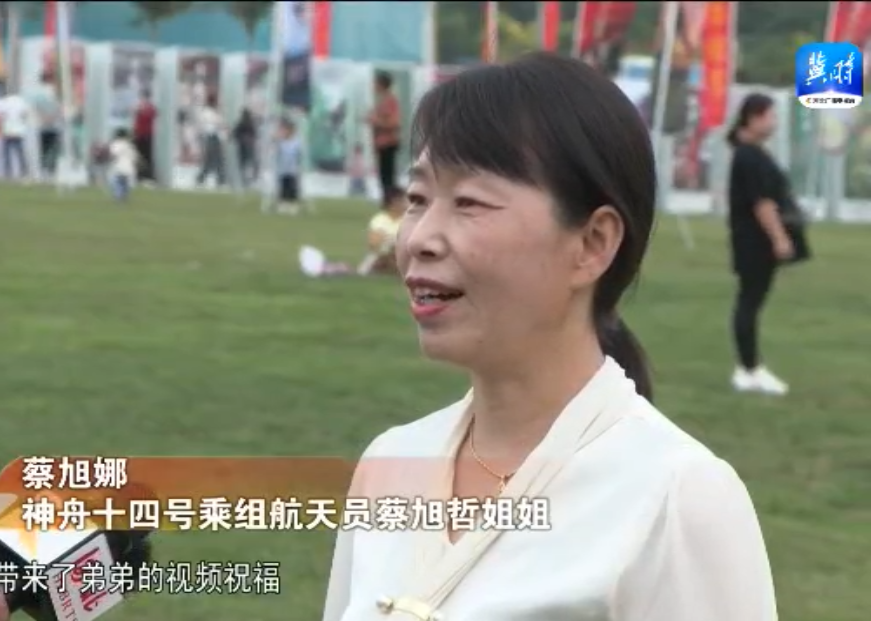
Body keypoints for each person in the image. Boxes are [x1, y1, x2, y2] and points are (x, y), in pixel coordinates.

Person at [322, 54, 776, 621]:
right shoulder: (390, 463)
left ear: (592, 243)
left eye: (469, 203)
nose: (419, 239)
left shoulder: (676, 496)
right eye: (417, 199)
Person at [725, 93, 809, 396]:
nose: (774, 123)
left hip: (755, 240)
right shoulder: (749, 156)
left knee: (752, 300)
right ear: (753, 118)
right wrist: (779, 238)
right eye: (770, 116)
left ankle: (749, 366)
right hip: (754, 242)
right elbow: (763, 203)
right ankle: (749, 368)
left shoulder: (754, 154)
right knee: (749, 301)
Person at [299, 186, 407, 278]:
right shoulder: (379, 220)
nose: (406, 204)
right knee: (363, 272)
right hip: (381, 256)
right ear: (393, 203)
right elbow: (373, 245)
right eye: (403, 201)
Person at [368, 70, 401, 202]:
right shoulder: (382, 101)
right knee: (383, 175)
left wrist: (375, 121)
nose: (373, 86)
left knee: (388, 175)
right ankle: (387, 199)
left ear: (381, 84)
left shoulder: (390, 101)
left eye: (375, 83)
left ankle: (391, 201)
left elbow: (394, 123)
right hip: (381, 143)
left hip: (388, 142)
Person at [0, 91, 32, 181]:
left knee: (7, 153)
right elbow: (25, 114)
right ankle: (24, 171)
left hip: (7, 130)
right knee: (20, 152)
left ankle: (8, 172)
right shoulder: (21, 101)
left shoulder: (4, 102)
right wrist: (22, 121)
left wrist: (1, 122)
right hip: (18, 130)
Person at [27, 71, 61, 180]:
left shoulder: (39, 92)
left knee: (44, 149)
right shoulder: (54, 91)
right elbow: (58, 107)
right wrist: (51, 117)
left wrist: (44, 118)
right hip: (52, 125)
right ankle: (50, 170)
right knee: (52, 149)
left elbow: (36, 107)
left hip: (44, 125)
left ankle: (45, 170)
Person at [195, 92, 227, 188]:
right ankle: (218, 179)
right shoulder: (209, 112)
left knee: (212, 159)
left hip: (212, 137)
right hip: (212, 137)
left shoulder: (208, 112)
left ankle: (203, 178)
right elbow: (219, 123)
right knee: (215, 159)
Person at [274, 117, 303, 215]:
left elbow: (299, 155)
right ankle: (282, 204)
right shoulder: (281, 142)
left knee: (292, 187)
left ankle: (293, 205)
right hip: (283, 169)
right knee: (283, 187)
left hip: (292, 169)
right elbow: (276, 150)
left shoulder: (296, 142)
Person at [132, 90, 157, 185]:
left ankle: (149, 176)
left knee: (148, 156)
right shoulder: (138, 108)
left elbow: (152, 115)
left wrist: (142, 109)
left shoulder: (151, 108)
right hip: (139, 135)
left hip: (147, 136)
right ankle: (139, 176)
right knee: (138, 157)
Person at [107, 127, 137, 202]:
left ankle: (119, 197)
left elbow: (114, 154)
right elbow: (134, 157)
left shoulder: (116, 143)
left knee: (117, 183)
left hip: (118, 167)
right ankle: (123, 197)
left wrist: (109, 160)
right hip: (129, 168)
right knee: (125, 184)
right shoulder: (129, 145)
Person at [232, 107, 258, 189]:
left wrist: (242, 139)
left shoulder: (241, 124)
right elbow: (254, 135)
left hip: (244, 148)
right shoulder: (248, 124)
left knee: (244, 165)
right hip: (246, 148)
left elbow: (235, 134)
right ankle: (249, 180)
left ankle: (246, 181)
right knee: (250, 164)